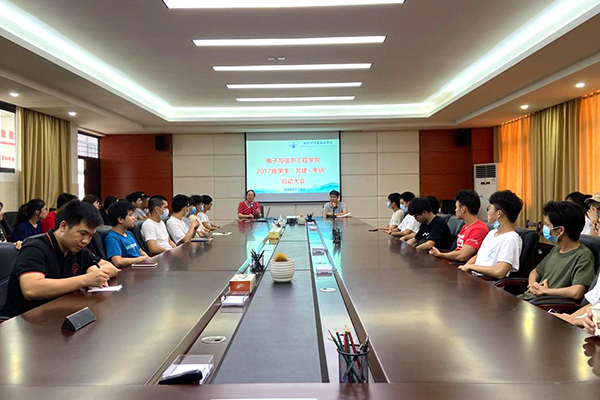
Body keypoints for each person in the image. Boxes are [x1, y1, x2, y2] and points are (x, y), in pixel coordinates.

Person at [0, 200, 119, 318]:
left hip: (57, 314)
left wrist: (93, 269)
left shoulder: (77, 250)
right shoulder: (35, 248)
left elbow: (112, 268)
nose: (85, 241)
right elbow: (31, 289)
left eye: (91, 236)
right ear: (63, 226)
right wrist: (86, 279)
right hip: (24, 321)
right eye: (82, 233)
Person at [518, 201, 595, 301]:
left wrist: (546, 291)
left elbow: (577, 292)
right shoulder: (556, 249)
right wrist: (533, 284)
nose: (545, 229)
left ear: (560, 230)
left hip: (543, 304)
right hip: (528, 299)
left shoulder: (584, 255)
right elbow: (535, 272)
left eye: (547, 225)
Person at [458, 190, 523, 279]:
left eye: (489, 208)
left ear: (499, 214)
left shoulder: (511, 239)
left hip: (487, 283)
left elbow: (499, 272)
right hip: (474, 279)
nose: (487, 212)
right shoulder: (492, 233)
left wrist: (471, 267)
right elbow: (479, 256)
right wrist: (465, 267)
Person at [429, 190, 489, 263]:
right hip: (453, 262)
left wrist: (440, 254)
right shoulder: (465, 226)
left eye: (456, 207)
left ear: (463, 209)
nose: (455, 210)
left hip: (461, 266)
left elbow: (462, 256)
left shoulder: (479, 229)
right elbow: (458, 251)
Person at [105, 200, 150, 268]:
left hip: (140, 266)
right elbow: (118, 261)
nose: (134, 218)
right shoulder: (112, 238)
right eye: (130, 215)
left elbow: (140, 250)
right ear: (120, 219)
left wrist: (148, 258)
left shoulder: (129, 234)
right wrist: (141, 259)